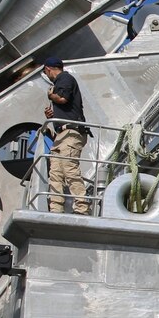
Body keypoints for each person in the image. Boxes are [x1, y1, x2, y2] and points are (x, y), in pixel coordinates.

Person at [41, 57, 90, 215]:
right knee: (55, 172)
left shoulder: (64, 78)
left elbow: (63, 98)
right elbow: (66, 107)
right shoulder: (61, 82)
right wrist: (52, 115)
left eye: (45, 72)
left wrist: (51, 96)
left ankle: (82, 207)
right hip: (61, 134)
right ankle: (56, 209)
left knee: (69, 168)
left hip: (71, 132)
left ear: (48, 69)